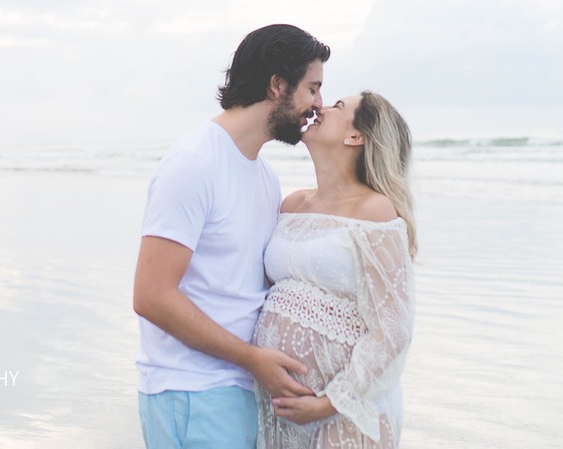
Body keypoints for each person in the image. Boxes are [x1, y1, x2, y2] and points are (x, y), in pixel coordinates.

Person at [134, 24, 332, 449]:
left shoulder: (263, 176)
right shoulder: (194, 164)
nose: (318, 105)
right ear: (277, 85)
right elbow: (151, 296)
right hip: (190, 391)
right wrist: (251, 359)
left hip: (240, 390)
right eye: (313, 89)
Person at [253, 91, 417, 449]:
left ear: (356, 136)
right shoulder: (293, 204)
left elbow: (393, 331)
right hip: (281, 406)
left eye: (338, 107)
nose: (320, 107)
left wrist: (328, 403)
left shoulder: (376, 211)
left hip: (346, 411)